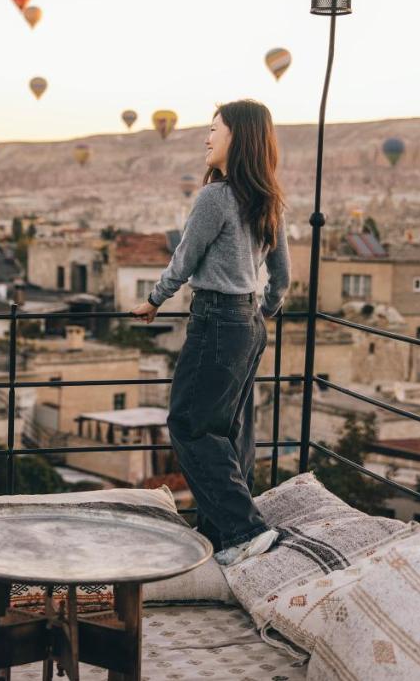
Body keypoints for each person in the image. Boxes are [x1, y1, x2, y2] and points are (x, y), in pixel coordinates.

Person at [131, 99, 290, 567]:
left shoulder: (216, 197)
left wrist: (156, 299)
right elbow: (281, 275)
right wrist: (263, 311)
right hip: (248, 324)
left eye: (214, 130)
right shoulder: (268, 198)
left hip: (217, 320)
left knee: (188, 424)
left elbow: (185, 259)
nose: (207, 137)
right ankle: (220, 533)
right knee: (230, 429)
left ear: (237, 137)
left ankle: (245, 529)